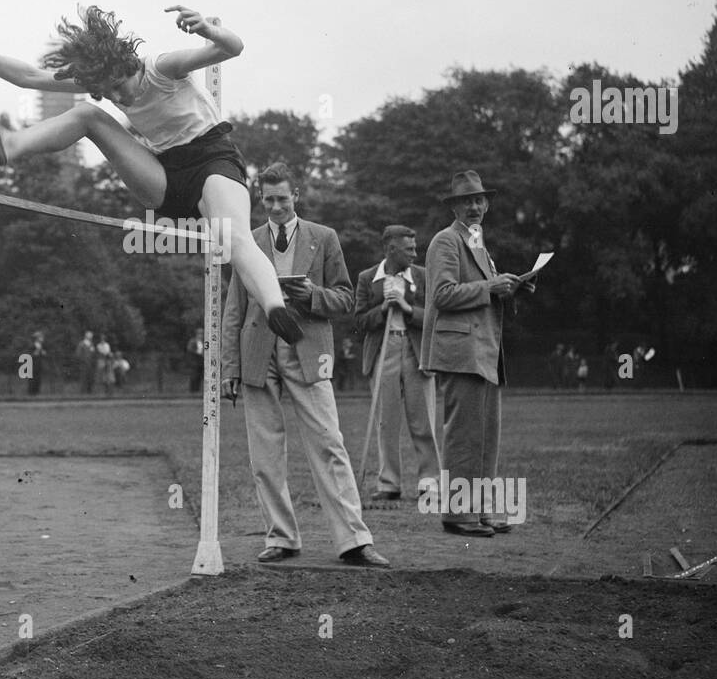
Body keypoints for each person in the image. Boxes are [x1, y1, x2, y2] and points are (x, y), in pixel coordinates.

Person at [0, 4, 303, 346]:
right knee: (87, 114)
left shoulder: (162, 67)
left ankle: (275, 308)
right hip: (164, 177)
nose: (117, 96)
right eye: (107, 92)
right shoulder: (105, 80)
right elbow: (28, 77)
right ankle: (7, 146)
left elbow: (232, 48)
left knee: (232, 236)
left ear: (128, 63)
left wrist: (209, 30)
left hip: (213, 163)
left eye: (118, 85)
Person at [220, 162, 389, 568]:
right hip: (258, 353)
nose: (275, 207)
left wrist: (312, 295)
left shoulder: (324, 238)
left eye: (282, 198)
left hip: (310, 354)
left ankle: (354, 540)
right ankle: (281, 537)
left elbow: (347, 299)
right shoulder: (248, 240)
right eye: (268, 199)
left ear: (297, 196)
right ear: (260, 198)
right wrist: (230, 368)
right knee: (264, 454)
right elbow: (233, 309)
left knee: (329, 444)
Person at [420, 170, 533, 537]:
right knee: (463, 435)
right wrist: (490, 285)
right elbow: (442, 294)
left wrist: (509, 287)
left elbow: (480, 290)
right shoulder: (445, 241)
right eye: (467, 200)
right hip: (460, 352)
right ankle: (457, 513)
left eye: (480, 199)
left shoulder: (476, 241)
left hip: (483, 350)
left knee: (486, 435)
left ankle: (479, 508)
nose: (475, 206)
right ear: (454, 206)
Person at [353, 225, 440, 503]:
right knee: (386, 422)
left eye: (415, 247)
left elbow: (435, 319)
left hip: (415, 351)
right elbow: (358, 322)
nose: (415, 253)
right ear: (391, 249)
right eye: (409, 249)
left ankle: (431, 483)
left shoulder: (423, 277)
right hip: (383, 351)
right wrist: (381, 309)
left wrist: (405, 307)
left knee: (423, 419)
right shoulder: (368, 278)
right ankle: (389, 483)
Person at [27, 331, 48, 395]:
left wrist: (42, 352)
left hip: (38, 365)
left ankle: (36, 392)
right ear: (37, 338)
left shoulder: (41, 346)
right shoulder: (32, 345)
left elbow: (43, 354)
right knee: (32, 379)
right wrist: (38, 352)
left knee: (38, 379)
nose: (42, 338)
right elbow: (31, 354)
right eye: (41, 337)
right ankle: (31, 393)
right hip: (32, 365)